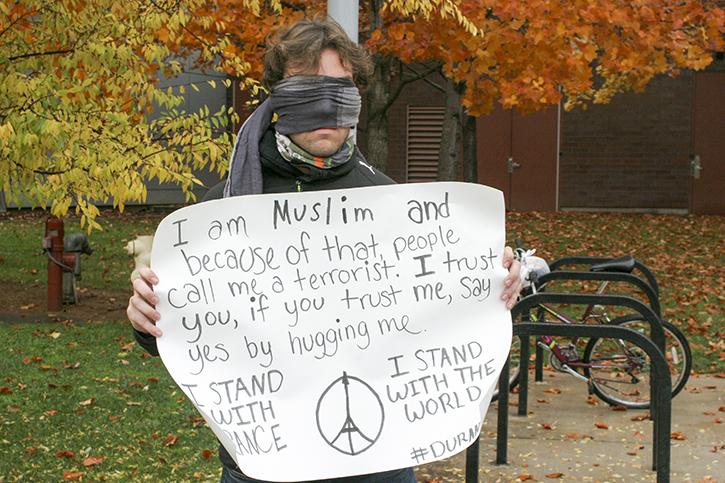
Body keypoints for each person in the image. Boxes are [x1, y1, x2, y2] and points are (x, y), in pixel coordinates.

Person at [127, 17, 523, 483]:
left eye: (339, 88)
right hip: (266, 466)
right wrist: (147, 317)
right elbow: (185, 337)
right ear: (276, 95)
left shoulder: (393, 207)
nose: (325, 105)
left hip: (380, 466)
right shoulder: (221, 215)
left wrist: (487, 281)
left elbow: (434, 316)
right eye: (306, 88)